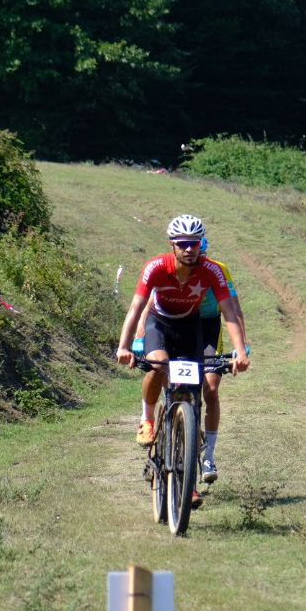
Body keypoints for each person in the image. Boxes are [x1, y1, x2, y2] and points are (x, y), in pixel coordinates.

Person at [116, 215, 250, 502]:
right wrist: (124, 345)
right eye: (184, 244)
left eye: (195, 243)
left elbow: (229, 312)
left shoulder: (212, 270)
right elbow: (136, 307)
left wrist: (240, 351)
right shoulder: (155, 267)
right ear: (173, 245)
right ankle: (147, 419)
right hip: (160, 325)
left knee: (193, 396)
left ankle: (188, 478)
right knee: (156, 365)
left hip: (191, 328)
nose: (190, 249)